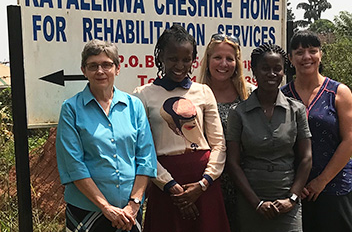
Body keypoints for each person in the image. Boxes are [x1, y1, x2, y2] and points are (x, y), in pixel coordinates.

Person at [134, 24, 230, 232]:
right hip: (165, 186)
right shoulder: (143, 95)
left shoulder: (204, 92)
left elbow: (218, 144)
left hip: (204, 184)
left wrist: (204, 183)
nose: (180, 65)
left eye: (186, 59)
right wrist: (171, 186)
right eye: (173, 59)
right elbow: (143, 149)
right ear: (160, 58)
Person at [56, 39, 157, 232]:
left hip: (130, 213)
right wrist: (105, 207)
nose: (100, 71)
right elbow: (74, 165)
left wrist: (134, 204)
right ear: (84, 70)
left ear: (117, 68)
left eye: (106, 64)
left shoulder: (134, 106)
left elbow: (146, 158)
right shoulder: (71, 109)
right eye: (93, 66)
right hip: (87, 211)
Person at [226, 43, 312, 232]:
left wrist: (292, 198)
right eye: (265, 68)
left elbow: (306, 158)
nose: (271, 74)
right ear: (254, 70)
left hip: (287, 198)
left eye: (277, 69)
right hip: (251, 200)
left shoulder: (296, 110)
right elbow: (232, 162)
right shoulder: (238, 113)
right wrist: (256, 203)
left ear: (284, 71)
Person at [281, 30, 352, 232]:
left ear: (320, 55)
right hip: (295, 189)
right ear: (290, 58)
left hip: (334, 185)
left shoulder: (338, 92)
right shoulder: (282, 96)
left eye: (312, 51)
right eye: (299, 52)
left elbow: (351, 140)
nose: (306, 57)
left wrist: (321, 181)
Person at [199, 33, 253, 231]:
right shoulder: (194, 94)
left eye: (229, 58)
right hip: (208, 183)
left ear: (237, 62)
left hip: (245, 184)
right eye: (217, 58)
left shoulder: (251, 94)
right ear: (208, 60)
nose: (223, 64)